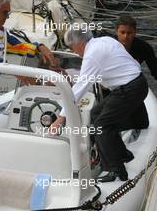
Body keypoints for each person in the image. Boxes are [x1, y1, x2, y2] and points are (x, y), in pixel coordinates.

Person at [50, 24, 149, 182]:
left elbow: (79, 89)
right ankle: (123, 155)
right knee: (96, 113)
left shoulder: (91, 55)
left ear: (79, 43)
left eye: (73, 48)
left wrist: (60, 118)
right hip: (138, 83)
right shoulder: (106, 40)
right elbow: (127, 63)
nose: (74, 52)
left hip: (129, 89)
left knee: (102, 126)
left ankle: (116, 171)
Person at [0, 0, 57, 132]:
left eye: (8, 13)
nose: (7, 17)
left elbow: (19, 46)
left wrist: (39, 47)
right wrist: (16, 71)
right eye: (5, 13)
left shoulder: (1, 32)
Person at [116, 15, 157, 80]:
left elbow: (155, 69)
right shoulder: (109, 45)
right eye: (122, 32)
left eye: (129, 33)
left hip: (131, 79)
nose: (125, 36)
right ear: (117, 32)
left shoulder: (144, 48)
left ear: (135, 33)